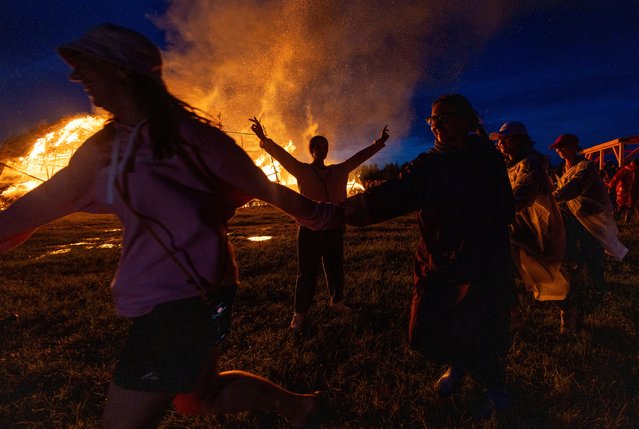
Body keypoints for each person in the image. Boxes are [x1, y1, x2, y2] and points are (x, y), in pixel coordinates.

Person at [0, 24, 343, 429]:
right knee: (199, 397)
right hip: (193, 294)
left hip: (183, 302)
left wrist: (332, 215)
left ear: (123, 70)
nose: (78, 77)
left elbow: (265, 189)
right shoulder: (105, 148)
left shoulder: (195, 139)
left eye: (87, 66)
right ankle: (303, 408)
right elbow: (39, 207)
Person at [343, 94, 515, 417]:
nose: (436, 125)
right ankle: (460, 362)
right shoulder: (430, 165)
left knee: (481, 327)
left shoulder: (486, 159)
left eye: (444, 117)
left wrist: (481, 240)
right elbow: (392, 194)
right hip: (436, 263)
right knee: (421, 333)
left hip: (480, 262)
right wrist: (342, 213)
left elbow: (505, 207)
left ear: (466, 120)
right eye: (432, 119)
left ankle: (494, 386)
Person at [250, 117, 389, 331]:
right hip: (310, 229)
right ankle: (299, 314)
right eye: (318, 146)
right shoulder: (302, 170)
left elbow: (358, 157)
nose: (322, 149)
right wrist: (263, 139)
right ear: (312, 150)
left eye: (325, 146)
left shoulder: (338, 170)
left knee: (335, 267)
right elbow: (282, 156)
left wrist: (378, 143)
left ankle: (337, 302)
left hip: (334, 227)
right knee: (307, 271)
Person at [490, 122, 570, 333]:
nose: (501, 144)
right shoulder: (514, 163)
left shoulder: (530, 164)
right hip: (514, 228)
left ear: (519, 140)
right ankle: (513, 315)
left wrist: (497, 210)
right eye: (499, 140)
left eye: (505, 139)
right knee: (502, 270)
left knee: (542, 275)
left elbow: (522, 194)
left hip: (534, 230)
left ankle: (568, 309)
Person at [551, 134, 628, 333]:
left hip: (590, 218)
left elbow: (573, 188)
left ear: (573, 147)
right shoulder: (564, 168)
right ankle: (580, 284)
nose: (560, 151)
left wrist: (550, 198)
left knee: (591, 253)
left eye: (563, 147)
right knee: (573, 254)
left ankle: (599, 288)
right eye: (558, 148)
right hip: (573, 218)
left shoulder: (585, 167)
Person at [608, 158, 639, 223]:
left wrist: (609, 187)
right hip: (634, 192)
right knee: (631, 206)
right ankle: (627, 220)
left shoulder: (624, 169)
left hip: (621, 191)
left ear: (631, 163)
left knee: (620, 206)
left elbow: (615, 178)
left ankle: (615, 220)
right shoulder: (638, 171)